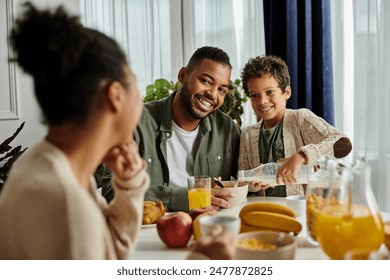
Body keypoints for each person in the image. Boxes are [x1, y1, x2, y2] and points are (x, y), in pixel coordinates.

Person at [0, 2, 235, 260]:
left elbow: (111, 252)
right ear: (115, 96)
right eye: (134, 84)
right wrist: (201, 262)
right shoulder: (64, 203)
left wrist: (130, 187)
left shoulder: (54, 169)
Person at [97, 46, 241, 212]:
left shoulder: (228, 129)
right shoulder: (136, 122)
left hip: (210, 227)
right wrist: (187, 198)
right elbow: (112, 191)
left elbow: (248, 179)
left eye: (221, 90)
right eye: (206, 81)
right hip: (149, 231)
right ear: (182, 75)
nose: (212, 94)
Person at [238, 55, 352, 196]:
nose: (262, 101)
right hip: (268, 210)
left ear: (286, 92)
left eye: (269, 92)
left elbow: (342, 142)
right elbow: (244, 182)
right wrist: (254, 184)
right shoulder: (247, 135)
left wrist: (301, 157)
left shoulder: (300, 119)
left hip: (304, 210)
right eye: (254, 95)